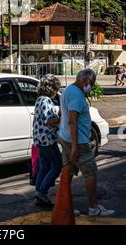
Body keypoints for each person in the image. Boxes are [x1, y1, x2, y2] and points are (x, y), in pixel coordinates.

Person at [58, 68, 115, 216]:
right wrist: (76, 147)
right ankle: (93, 208)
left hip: (65, 137)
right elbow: (72, 121)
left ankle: (65, 206)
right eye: (92, 83)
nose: (91, 87)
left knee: (68, 170)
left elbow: (62, 113)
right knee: (90, 172)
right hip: (78, 141)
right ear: (86, 80)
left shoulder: (68, 90)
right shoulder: (76, 95)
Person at [33, 74, 62, 207]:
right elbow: (49, 121)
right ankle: (41, 193)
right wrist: (63, 118)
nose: (57, 91)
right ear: (51, 88)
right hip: (47, 139)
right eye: (56, 88)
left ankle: (39, 193)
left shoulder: (39, 99)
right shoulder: (46, 101)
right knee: (57, 165)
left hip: (39, 139)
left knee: (44, 167)